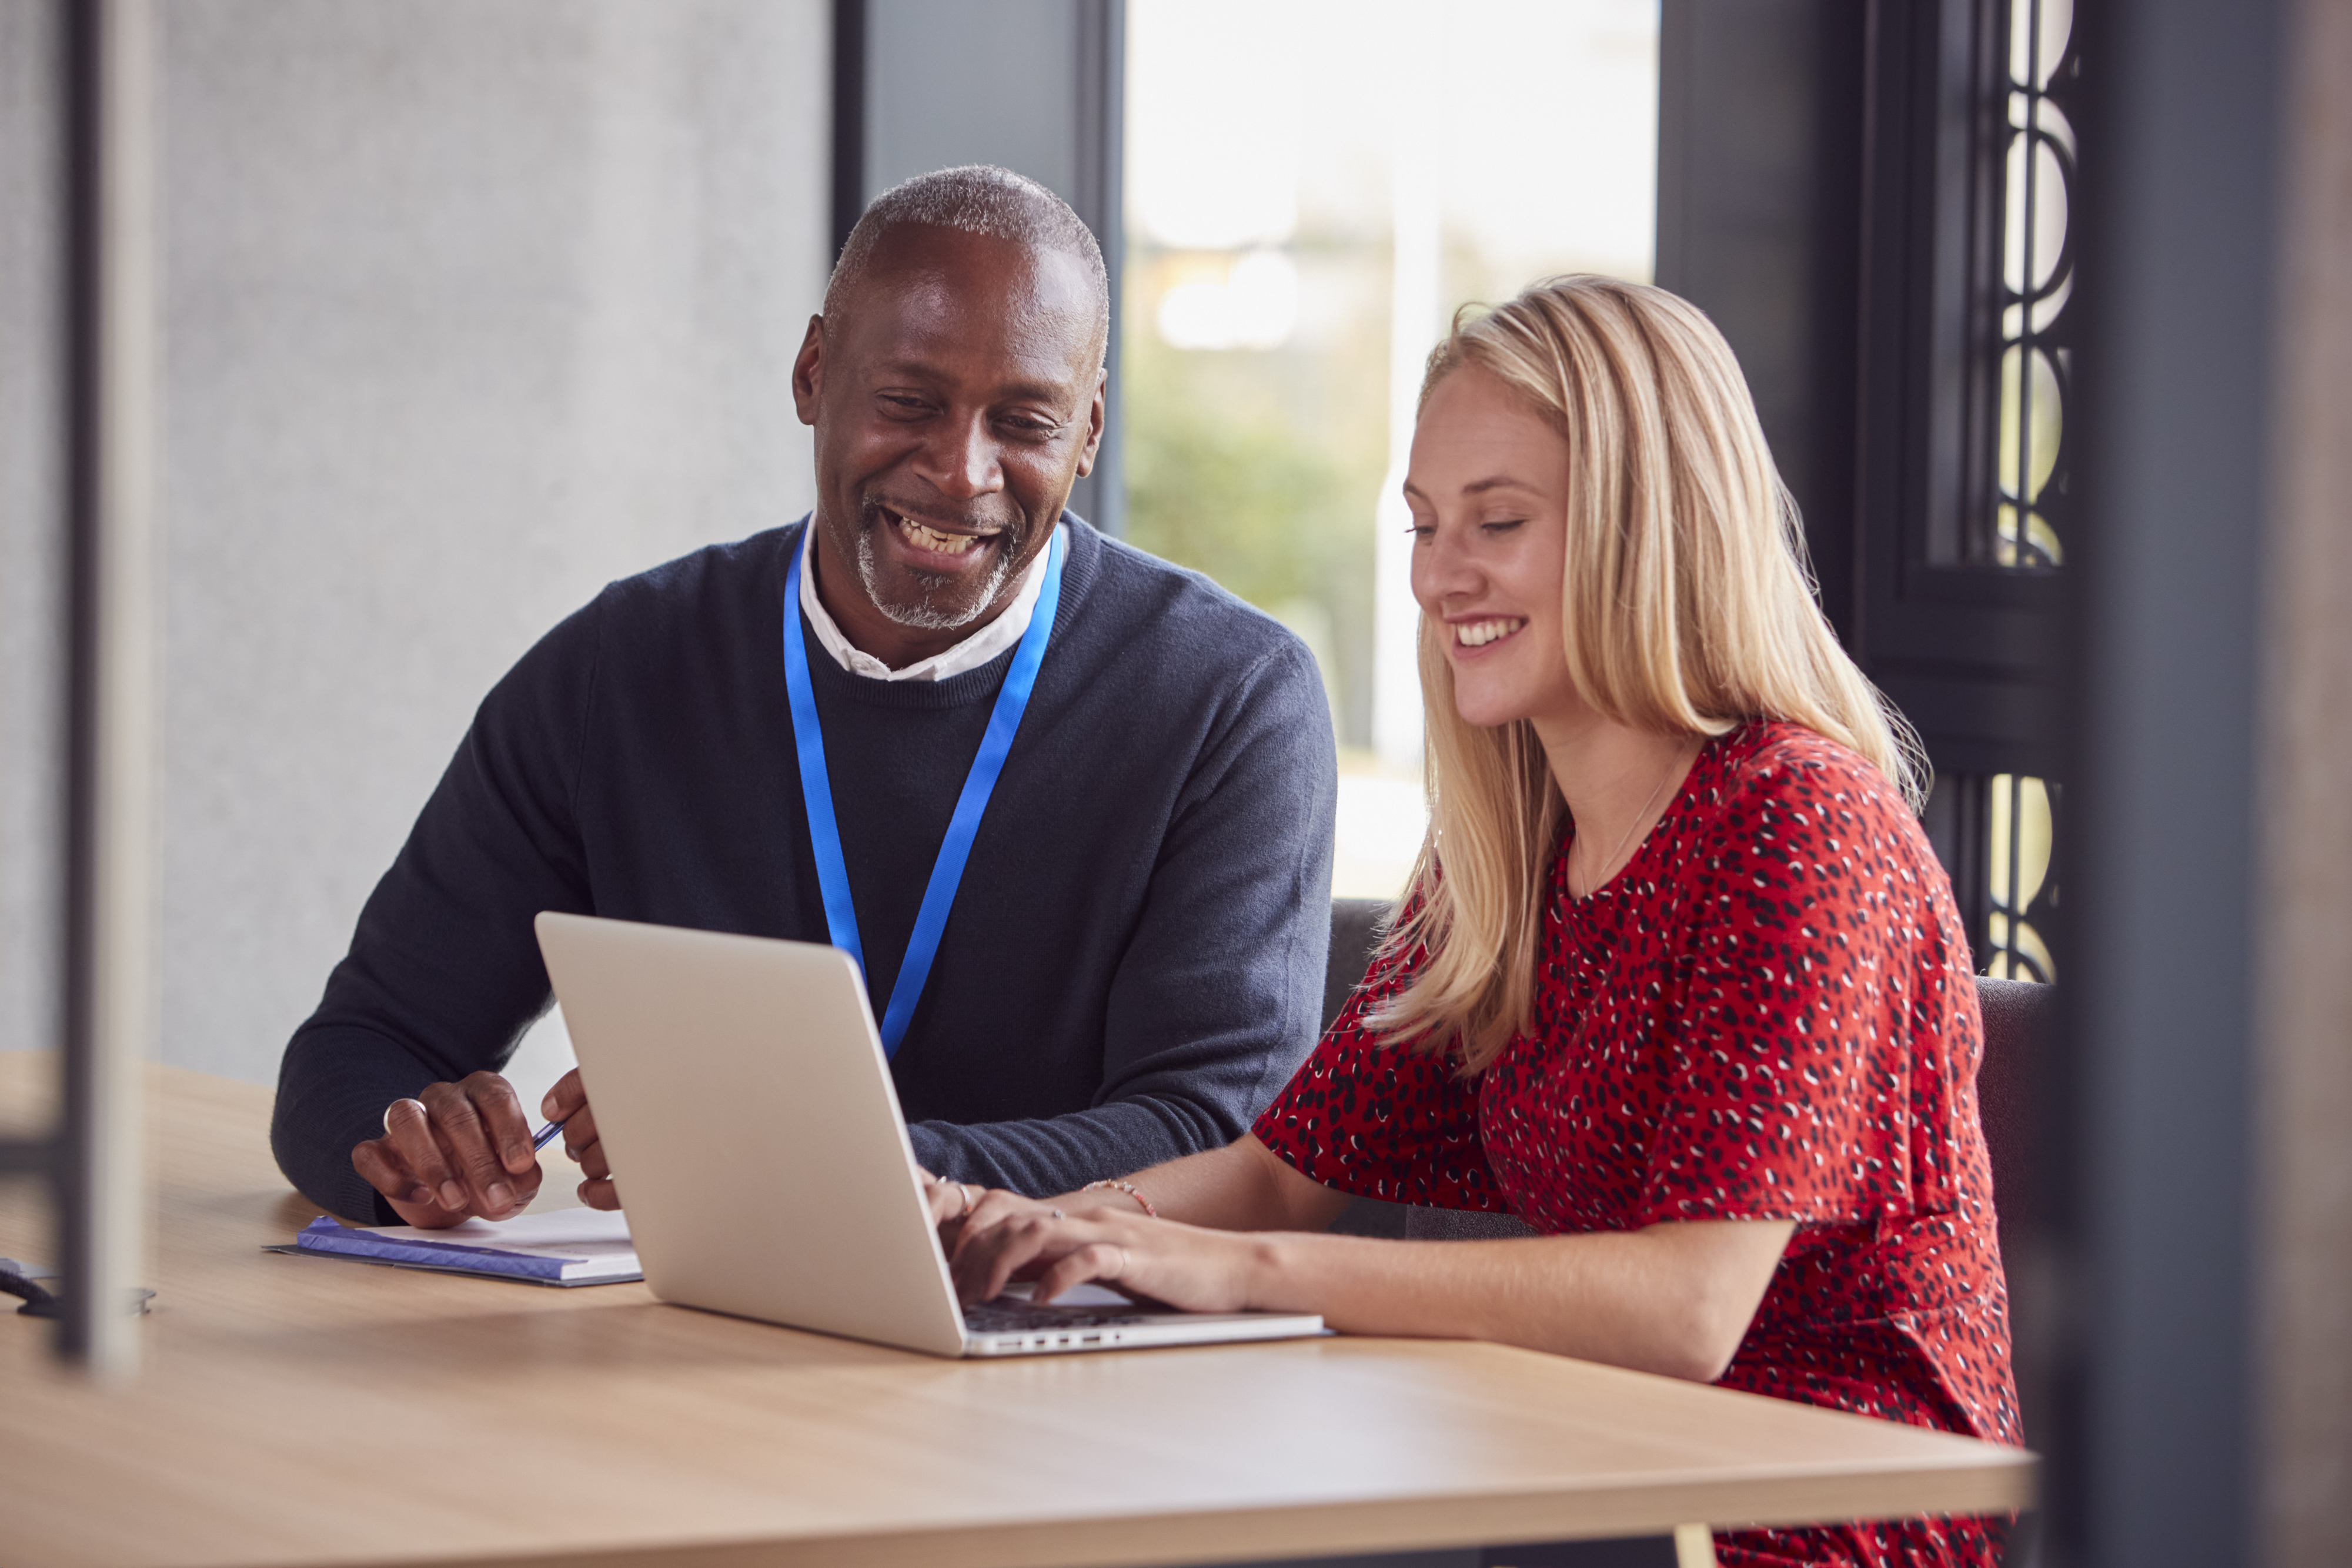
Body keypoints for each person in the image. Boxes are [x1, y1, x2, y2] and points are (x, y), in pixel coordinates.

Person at [937, 276, 2020, 1567]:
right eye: (1420, 524)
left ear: (1648, 524)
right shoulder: (1509, 849)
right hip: (1591, 1474)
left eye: (1495, 521)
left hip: (1813, 1507)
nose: (1440, 577)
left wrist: (1248, 1272)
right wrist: (1059, 1225)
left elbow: (1685, 1308)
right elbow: (1284, 1169)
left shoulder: (1801, 826)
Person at [269, 166, 1336, 1231]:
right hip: (705, 1343)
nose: (964, 473)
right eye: (909, 403)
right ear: (814, 374)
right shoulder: (621, 669)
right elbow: (355, 1054)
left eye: (1025, 421)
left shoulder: (1230, 700)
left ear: (1090, 430)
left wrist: (790, 1156)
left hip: (1064, 1364)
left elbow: (1217, 1135)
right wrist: (417, 1148)